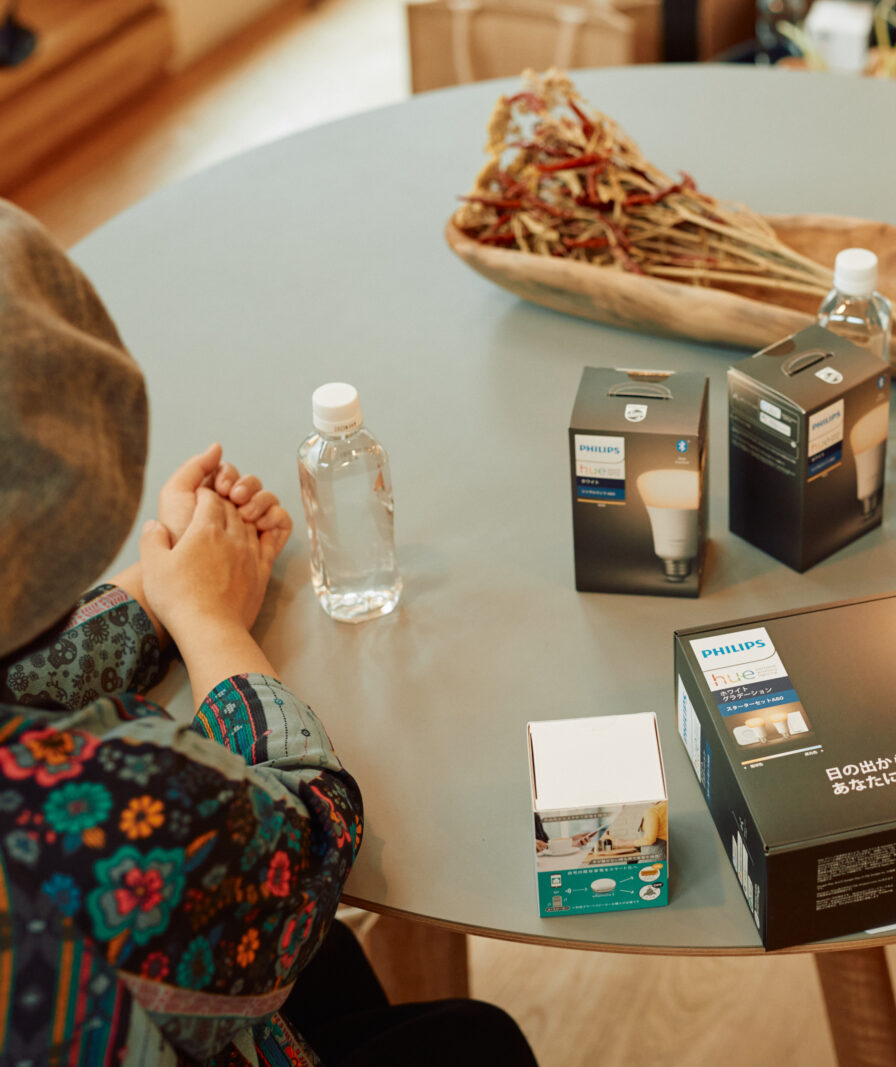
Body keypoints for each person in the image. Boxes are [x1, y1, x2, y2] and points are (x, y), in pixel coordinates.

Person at [0, 199, 536, 1065]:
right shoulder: (92, 825)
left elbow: (17, 669)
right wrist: (207, 618)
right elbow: (308, 839)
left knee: (341, 973)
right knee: (475, 1041)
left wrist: (171, 579)